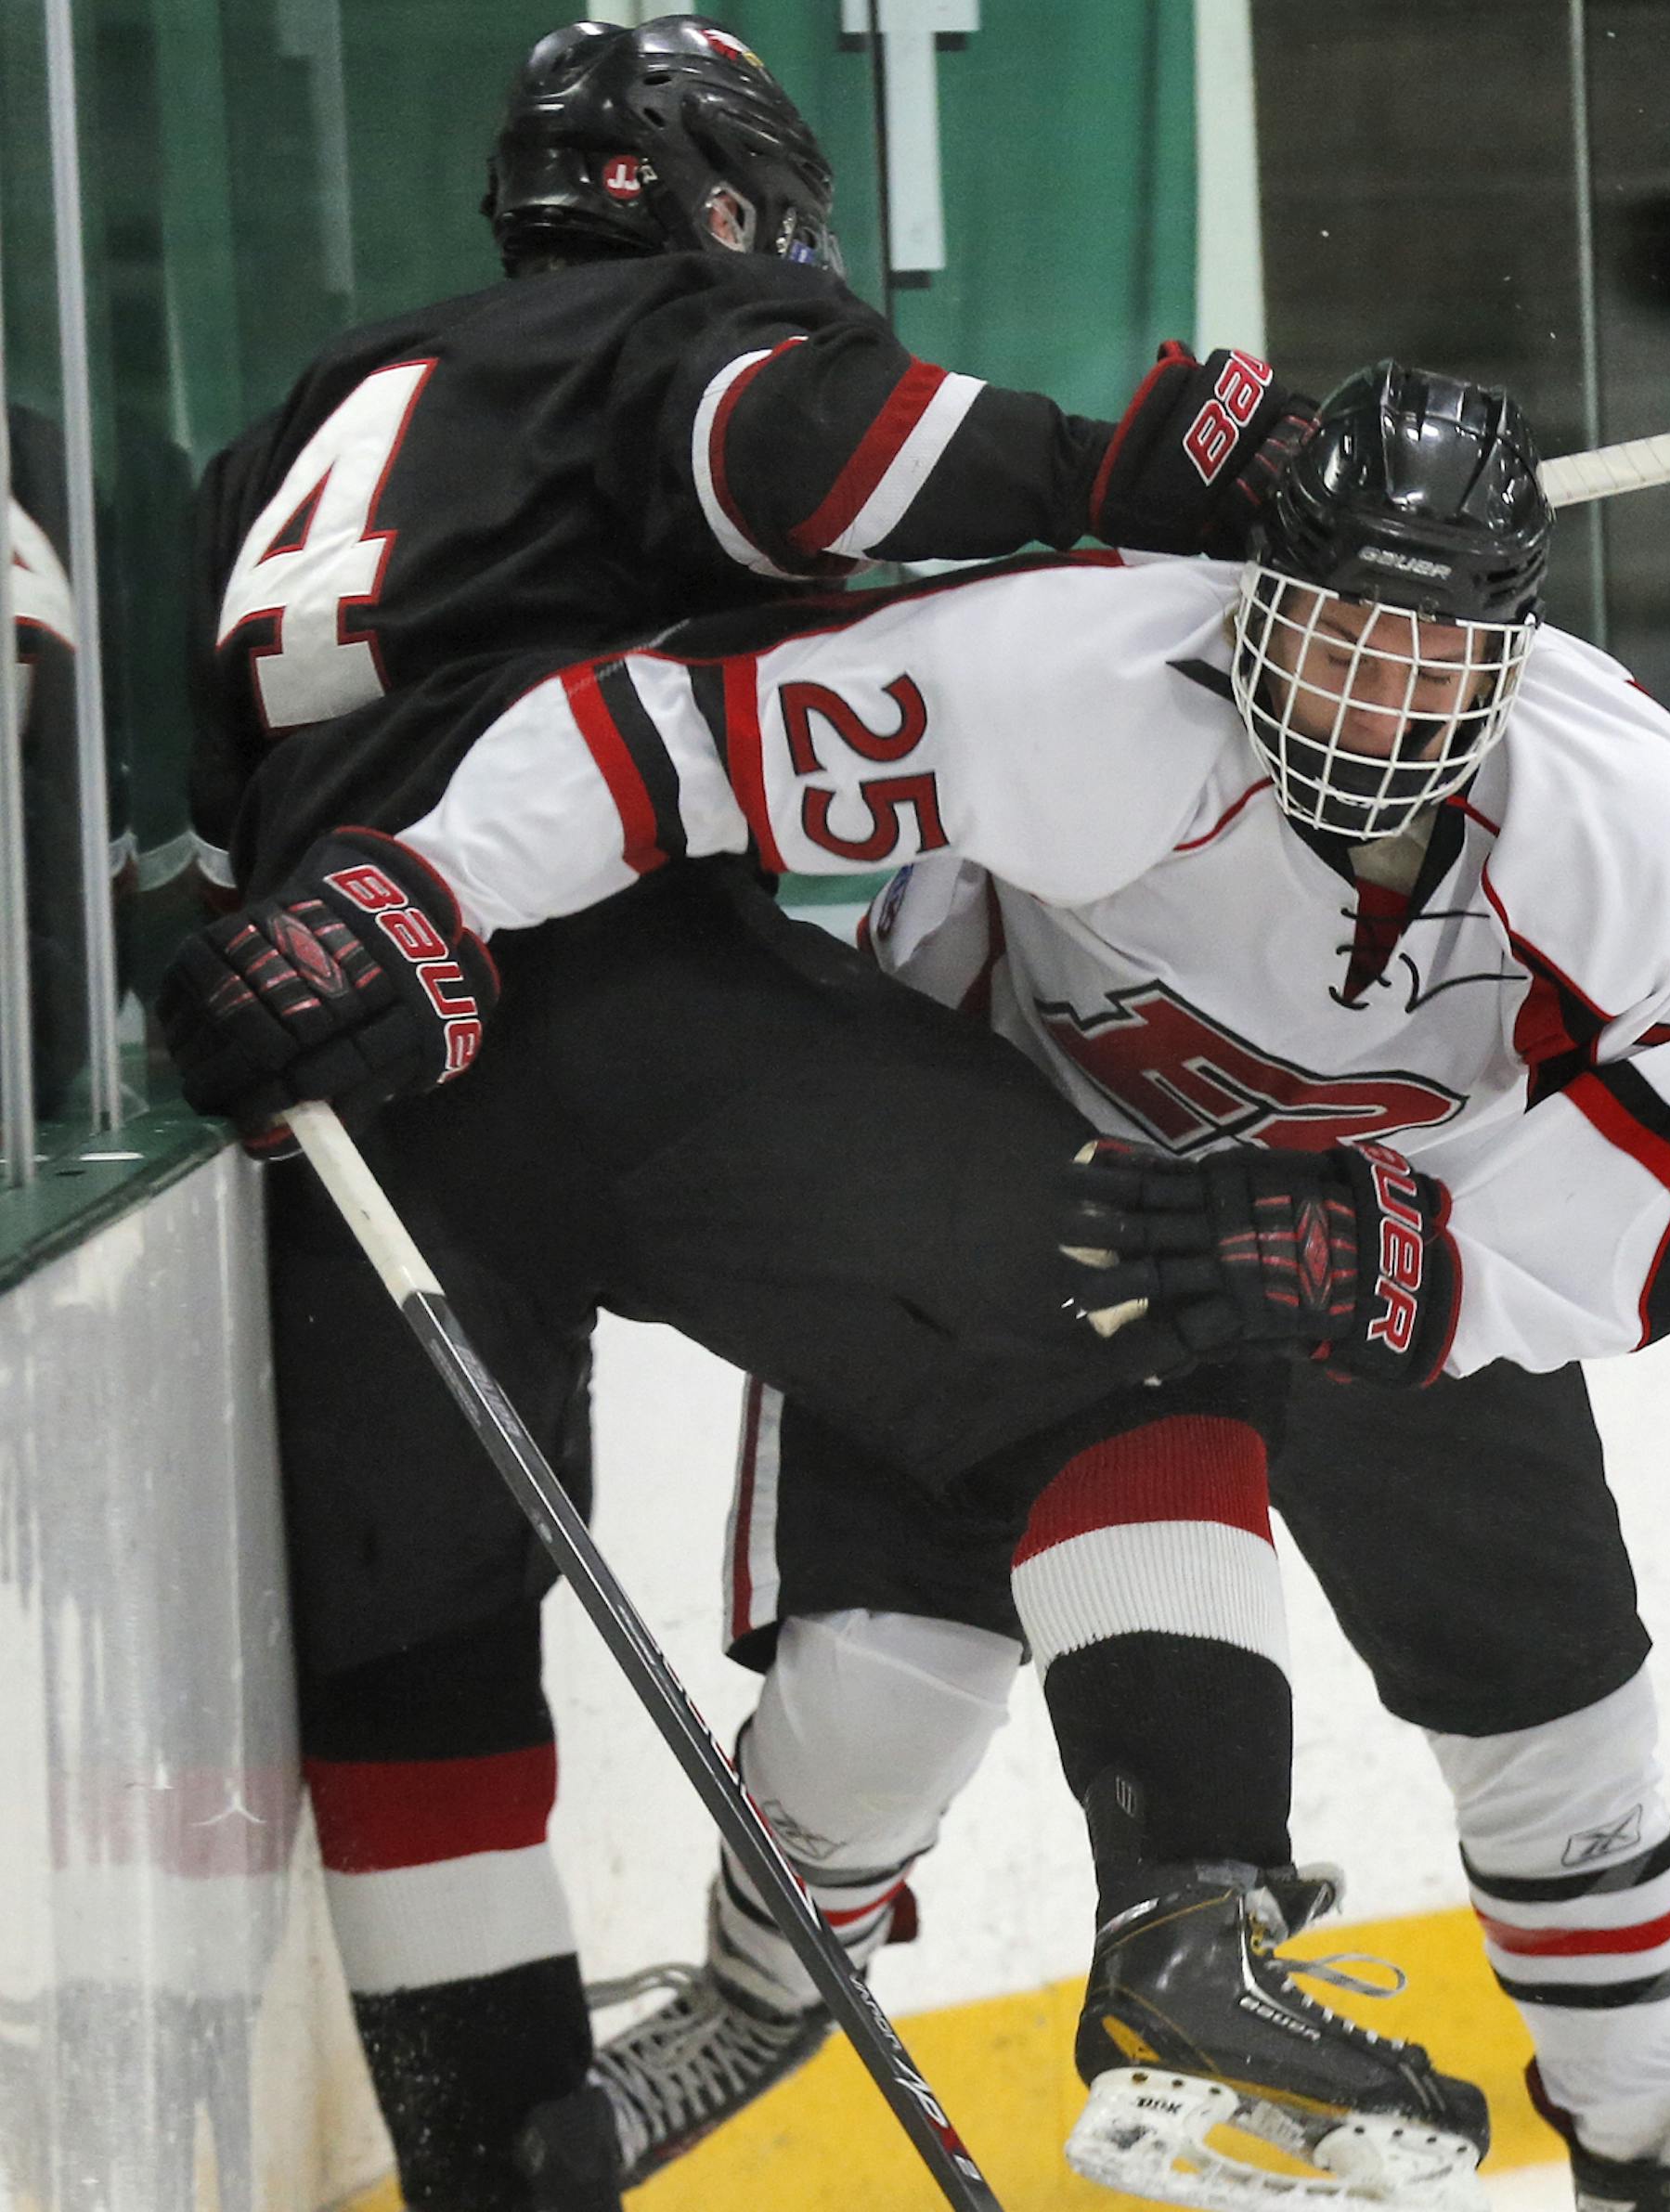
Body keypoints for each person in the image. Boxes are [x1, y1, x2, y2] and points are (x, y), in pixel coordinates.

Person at [357, 361, 1670, 2212]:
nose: (1373, 698)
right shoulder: (1070, 681)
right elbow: (667, 734)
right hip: (1028, 1199)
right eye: (1333, 630)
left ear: (1513, 656)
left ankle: (1657, 2134)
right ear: (1249, 596)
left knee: (1563, 1723)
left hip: (1393, 1239)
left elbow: (1645, 1219)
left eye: (1428, 654)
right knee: (871, 1702)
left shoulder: (1645, 846)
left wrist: (1412, 1271)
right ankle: (755, 1994)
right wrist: (428, 889)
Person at [166, 18, 1319, 2209]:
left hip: (338, 1101)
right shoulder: (665, 330)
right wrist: (1125, 466)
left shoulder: (299, 426)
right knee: (1149, 1289)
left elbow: (226, 864)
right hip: (602, 991)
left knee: (422, 1674)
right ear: (712, 204)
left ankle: (505, 2167)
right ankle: (1192, 1931)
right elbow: (803, 448)